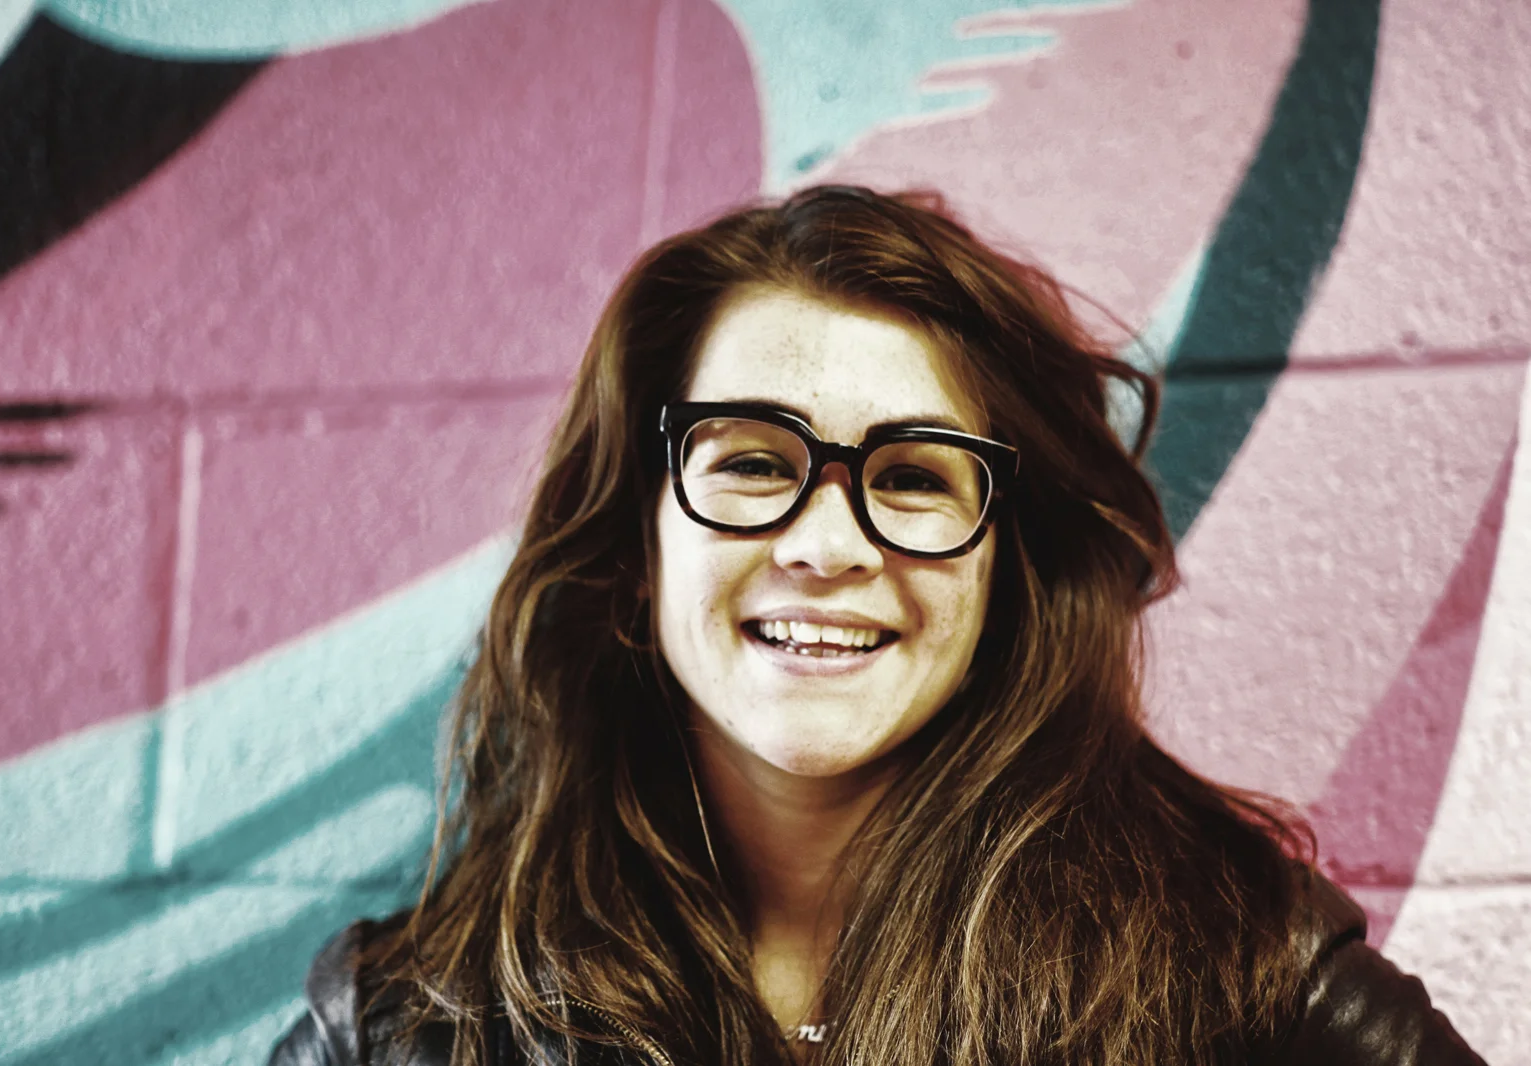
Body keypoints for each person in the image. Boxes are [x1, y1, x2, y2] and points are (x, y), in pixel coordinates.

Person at [269, 186, 1486, 1065]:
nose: (826, 544)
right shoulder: (406, 1024)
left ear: (1009, 572)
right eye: (753, 461)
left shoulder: (1243, 988)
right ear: (637, 552)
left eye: (911, 477)